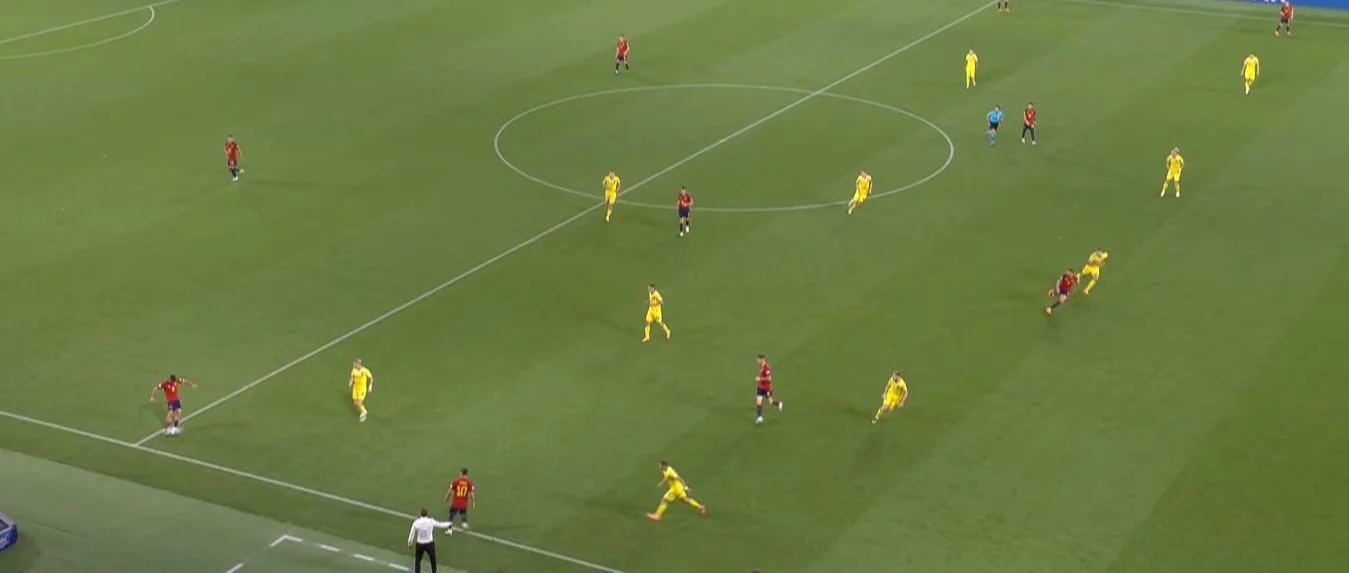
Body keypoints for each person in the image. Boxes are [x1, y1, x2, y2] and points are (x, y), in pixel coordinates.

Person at [408, 508, 452, 573]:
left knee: (418, 560)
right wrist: (449, 523)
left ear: (420, 514)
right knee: (433, 560)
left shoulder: (416, 522)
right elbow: (440, 524)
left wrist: (410, 543)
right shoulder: (430, 521)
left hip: (420, 543)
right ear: (427, 514)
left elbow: (412, 533)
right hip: (429, 543)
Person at [755, 354, 783, 424]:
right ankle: (760, 417)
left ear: (762, 359)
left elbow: (769, 378)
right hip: (760, 387)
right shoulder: (761, 366)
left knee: (770, 402)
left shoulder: (766, 368)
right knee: (758, 402)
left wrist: (760, 379)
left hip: (767, 388)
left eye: (758, 359)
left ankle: (778, 404)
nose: (757, 360)